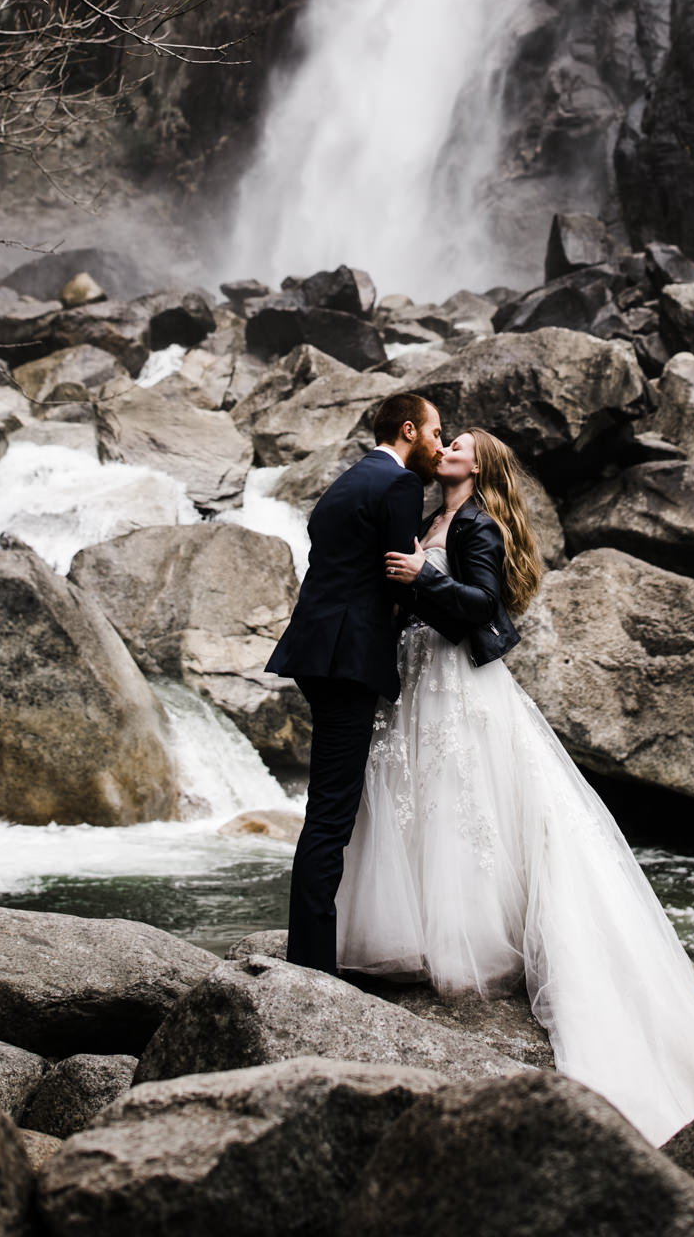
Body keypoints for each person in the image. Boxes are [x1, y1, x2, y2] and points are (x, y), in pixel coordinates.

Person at [335, 427, 694, 1146]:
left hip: (459, 685)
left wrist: (421, 579)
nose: (448, 448)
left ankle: (472, 936)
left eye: (460, 443)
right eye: (447, 440)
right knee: (423, 795)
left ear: (483, 463)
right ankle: (421, 930)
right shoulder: (434, 516)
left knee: (467, 798)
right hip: (418, 681)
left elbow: (478, 601)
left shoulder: (478, 523)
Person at [266, 390, 443, 974]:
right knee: (331, 815)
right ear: (410, 431)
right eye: (436, 432)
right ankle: (312, 963)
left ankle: (315, 944)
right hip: (348, 659)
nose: (439, 445)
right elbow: (398, 572)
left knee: (329, 804)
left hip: (315, 651)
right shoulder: (400, 486)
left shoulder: (343, 484)